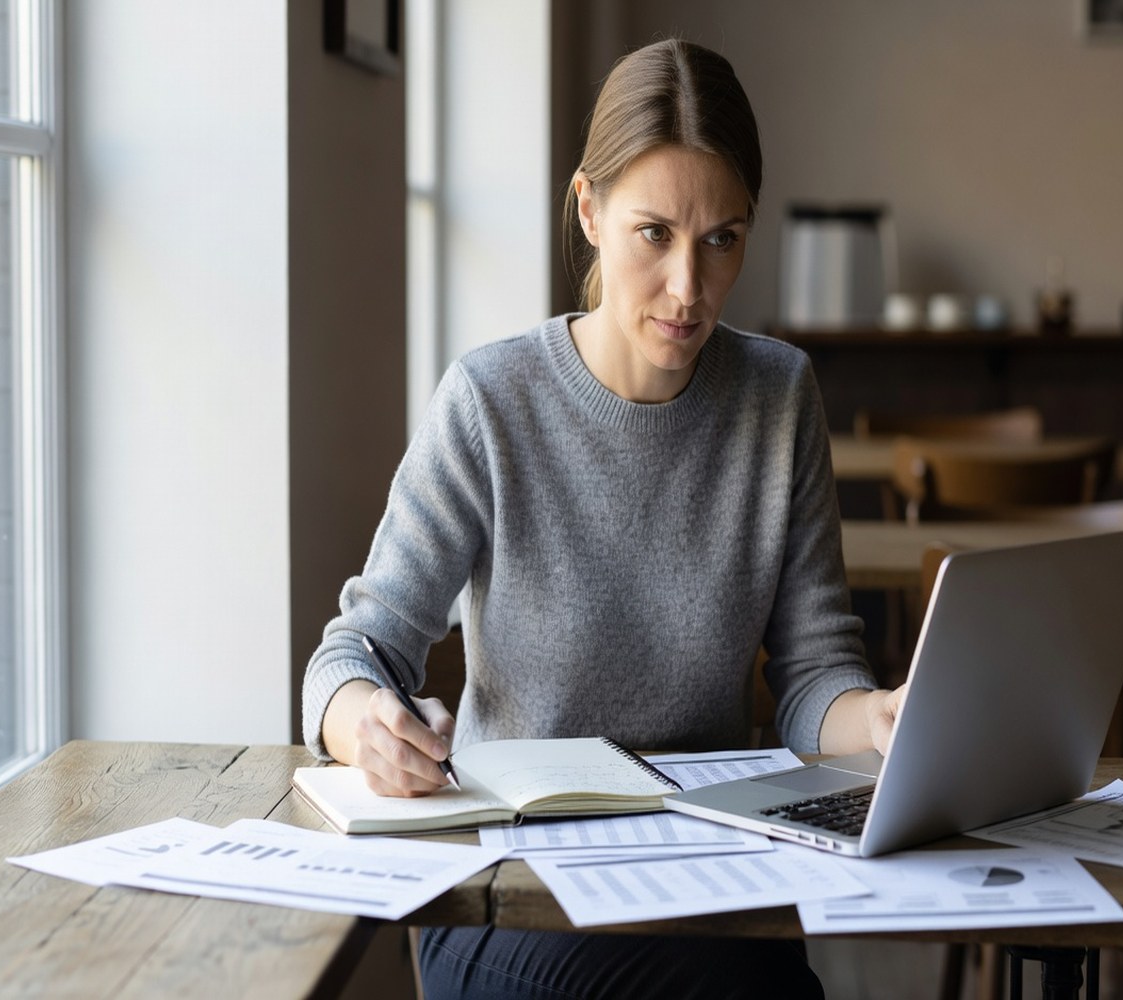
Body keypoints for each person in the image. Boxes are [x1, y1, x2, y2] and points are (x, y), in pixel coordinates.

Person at [302, 37, 904, 999]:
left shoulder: (778, 396)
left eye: (722, 240)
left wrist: (875, 717)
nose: (688, 289)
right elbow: (353, 652)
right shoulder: (491, 402)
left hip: (712, 876)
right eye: (654, 234)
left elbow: (811, 678)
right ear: (589, 210)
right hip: (512, 891)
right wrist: (363, 721)